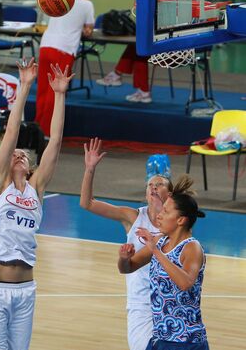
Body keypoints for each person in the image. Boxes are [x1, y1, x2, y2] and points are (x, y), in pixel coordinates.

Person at [0, 58, 74, 349]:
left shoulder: (36, 189)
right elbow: (12, 130)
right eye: (12, 153)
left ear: (30, 165)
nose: (17, 154)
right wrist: (25, 86)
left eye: (23, 154)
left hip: (25, 290)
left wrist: (59, 94)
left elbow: (55, 141)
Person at [80, 137, 173, 350]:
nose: (154, 187)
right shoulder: (132, 217)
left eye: (160, 184)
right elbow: (87, 203)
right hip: (141, 304)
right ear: (145, 193)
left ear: (170, 193)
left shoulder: (176, 223)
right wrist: (90, 169)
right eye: (150, 184)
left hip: (169, 302)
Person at [118, 175, 209, 350]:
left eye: (166, 212)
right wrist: (124, 258)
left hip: (187, 340)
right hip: (161, 339)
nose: (159, 216)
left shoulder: (191, 247)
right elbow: (127, 268)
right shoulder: (159, 242)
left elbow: (185, 283)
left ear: (181, 220)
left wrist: (155, 251)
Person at [36, 0, 94, 137]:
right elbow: (89, 29)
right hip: (64, 49)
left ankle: (37, 128)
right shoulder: (86, 4)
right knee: (55, 92)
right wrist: (84, 29)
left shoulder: (60, 1)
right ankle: (47, 132)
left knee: (42, 90)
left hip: (46, 45)